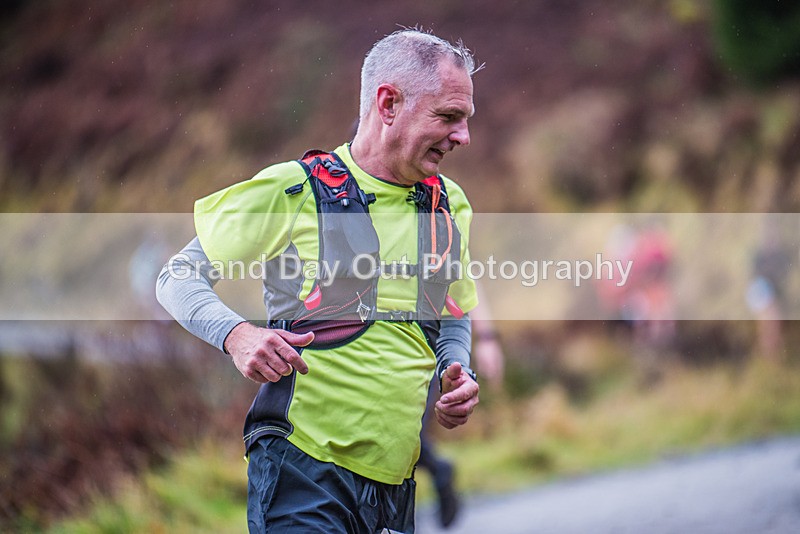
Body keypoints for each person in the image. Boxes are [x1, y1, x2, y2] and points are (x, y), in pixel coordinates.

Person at [156, 29, 481, 533]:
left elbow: (452, 318)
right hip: (301, 471)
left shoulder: (448, 205)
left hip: (394, 484)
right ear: (389, 103)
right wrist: (237, 335)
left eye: (465, 120)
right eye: (448, 117)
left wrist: (457, 371)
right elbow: (177, 277)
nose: (463, 137)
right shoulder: (296, 188)